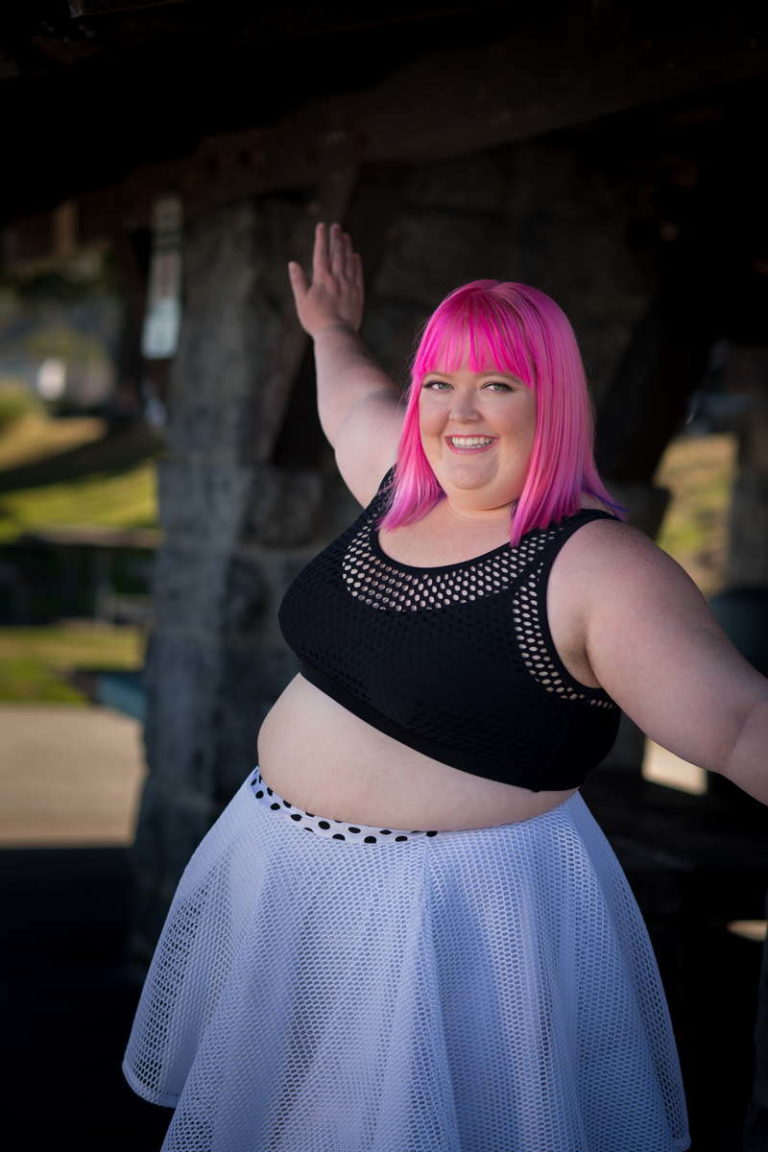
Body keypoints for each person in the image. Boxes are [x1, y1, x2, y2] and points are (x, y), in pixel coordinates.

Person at [122, 221, 768, 1151]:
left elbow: (743, 725)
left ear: (554, 404)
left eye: (497, 384)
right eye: (441, 382)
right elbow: (356, 401)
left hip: (438, 922)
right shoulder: (403, 484)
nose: (459, 412)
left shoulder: (597, 568)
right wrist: (330, 329)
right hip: (289, 878)